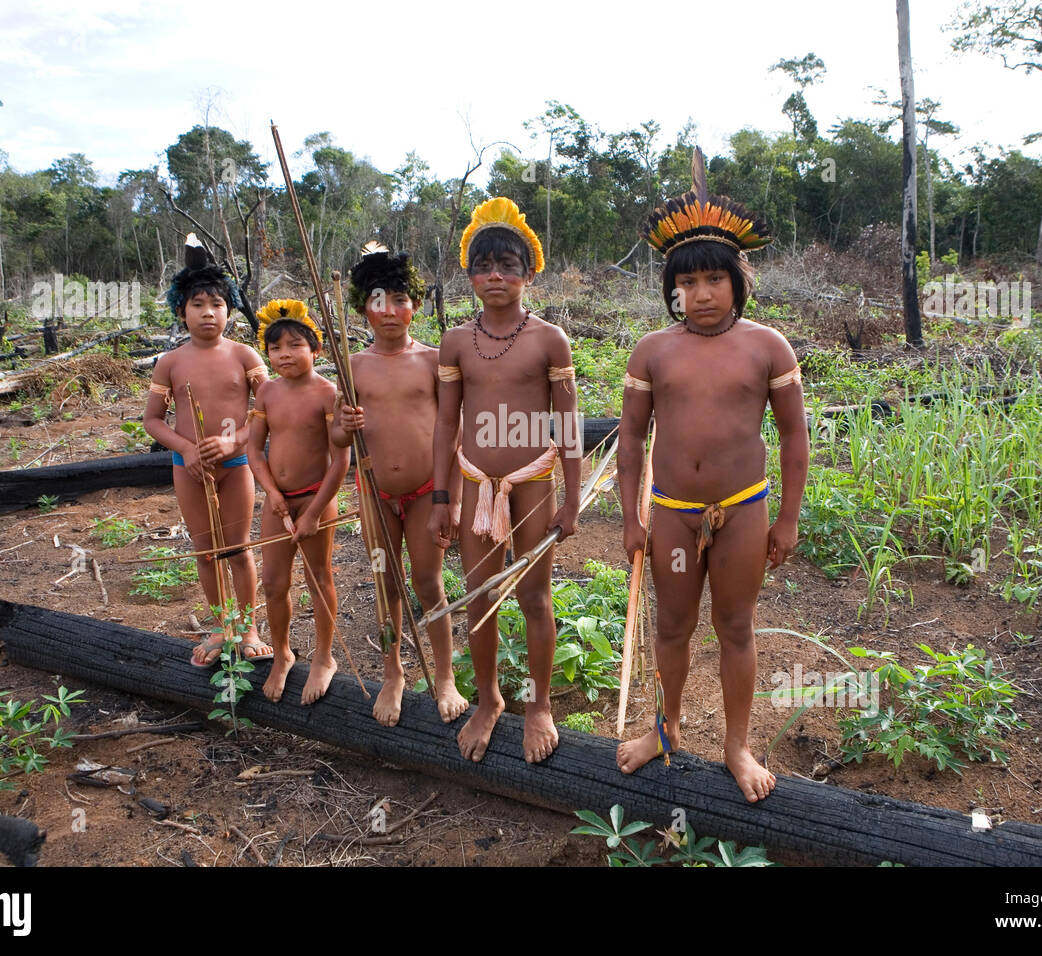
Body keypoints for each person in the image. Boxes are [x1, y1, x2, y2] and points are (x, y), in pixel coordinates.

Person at [616, 156, 809, 802]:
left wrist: (787, 517)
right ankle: (664, 729)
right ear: (671, 289)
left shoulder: (768, 348)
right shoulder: (653, 351)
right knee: (672, 627)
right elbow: (632, 440)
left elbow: (792, 436)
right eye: (687, 282)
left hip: (742, 511)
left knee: (737, 627)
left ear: (737, 282)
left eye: (713, 280)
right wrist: (630, 516)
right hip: (672, 511)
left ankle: (737, 745)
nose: (700, 294)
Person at [430, 198, 581, 764]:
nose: (495, 275)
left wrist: (570, 496)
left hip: (531, 482)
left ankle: (539, 704)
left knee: (535, 597)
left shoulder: (549, 340)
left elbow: (566, 422)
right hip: (473, 484)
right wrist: (443, 496)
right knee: (478, 598)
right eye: (484, 265)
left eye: (508, 265)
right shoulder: (454, 342)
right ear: (469, 275)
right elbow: (447, 423)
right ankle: (488, 699)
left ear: (528, 273)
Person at [331, 244, 468, 726]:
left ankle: (446, 675)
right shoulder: (353, 366)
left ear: (417, 305)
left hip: (424, 493)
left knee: (428, 583)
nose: (390, 311)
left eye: (401, 299)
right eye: (377, 300)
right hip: (375, 496)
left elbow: (454, 432)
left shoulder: (433, 361)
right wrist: (343, 424)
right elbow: (334, 434)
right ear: (361, 307)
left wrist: (446, 499)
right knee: (384, 583)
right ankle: (393, 673)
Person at [143, 235, 269, 667]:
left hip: (236, 466)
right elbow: (153, 421)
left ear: (229, 311)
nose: (207, 313)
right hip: (188, 469)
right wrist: (186, 449)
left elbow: (269, 410)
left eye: (216, 304)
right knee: (205, 550)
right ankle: (220, 625)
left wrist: (234, 441)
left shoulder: (245, 355)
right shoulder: (170, 362)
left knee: (237, 547)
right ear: (181, 311)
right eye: (197, 304)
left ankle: (249, 625)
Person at [247, 299, 349, 704]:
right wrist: (271, 494)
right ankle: (283, 652)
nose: (284, 355)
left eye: (294, 346)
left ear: (316, 349)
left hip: (316, 500)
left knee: (319, 578)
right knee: (273, 583)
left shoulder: (328, 394)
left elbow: (341, 460)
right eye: (275, 349)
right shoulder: (267, 392)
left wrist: (310, 512)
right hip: (277, 503)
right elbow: (255, 451)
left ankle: (324, 657)